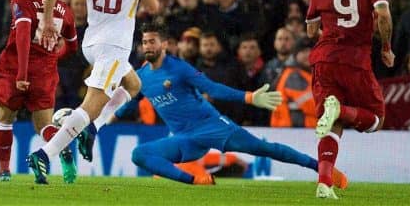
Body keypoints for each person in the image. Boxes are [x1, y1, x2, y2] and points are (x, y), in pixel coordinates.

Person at [113, 22, 347, 187]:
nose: (148, 47)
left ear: (164, 44)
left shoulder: (179, 68)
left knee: (266, 149)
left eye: (152, 41)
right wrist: (104, 120)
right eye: (144, 42)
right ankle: (195, 180)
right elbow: (127, 103)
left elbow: (212, 88)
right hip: (186, 138)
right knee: (140, 154)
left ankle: (322, 168)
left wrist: (249, 97)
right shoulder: (140, 76)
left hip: (213, 126)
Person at [28, 0, 159, 184]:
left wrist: (48, 22)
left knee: (133, 85)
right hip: (113, 45)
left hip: (91, 40)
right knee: (90, 107)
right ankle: (45, 153)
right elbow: (152, 7)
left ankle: (92, 129)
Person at [306, 0, 394, 199]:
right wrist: (387, 48)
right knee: (375, 120)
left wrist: (331, 38)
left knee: (331, 126)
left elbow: (311, 31)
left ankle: (324, 183)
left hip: (324, 58)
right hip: (355, 60)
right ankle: (341, 110)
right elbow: (383, 16)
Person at [0, 0, 78, 183]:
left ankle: (4, 172)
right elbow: (72, 46)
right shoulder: (64, 10)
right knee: (44, 126)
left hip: (14, 68)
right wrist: (51, 58)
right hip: (45, 72)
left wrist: (21, 73)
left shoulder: (22, 0)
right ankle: (63, 148)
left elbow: (22, 34)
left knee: (5, 119)